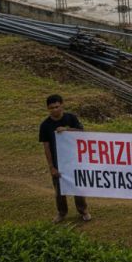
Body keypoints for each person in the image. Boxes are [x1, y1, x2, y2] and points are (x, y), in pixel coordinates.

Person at [39, 94, 91, 224]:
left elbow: (81, 133)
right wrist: (51, 166)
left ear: (62, 105)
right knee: (59, 190)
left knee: (78, 187)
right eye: (51, 108)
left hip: (74, 160)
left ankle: (83, 210)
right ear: (47, 108)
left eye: (57, 107)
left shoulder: (71, 118)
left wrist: (67, 130)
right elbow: (46, 146)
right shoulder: (45, 125)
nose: (55, 110)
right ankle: (61, 212)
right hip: (58, 162)